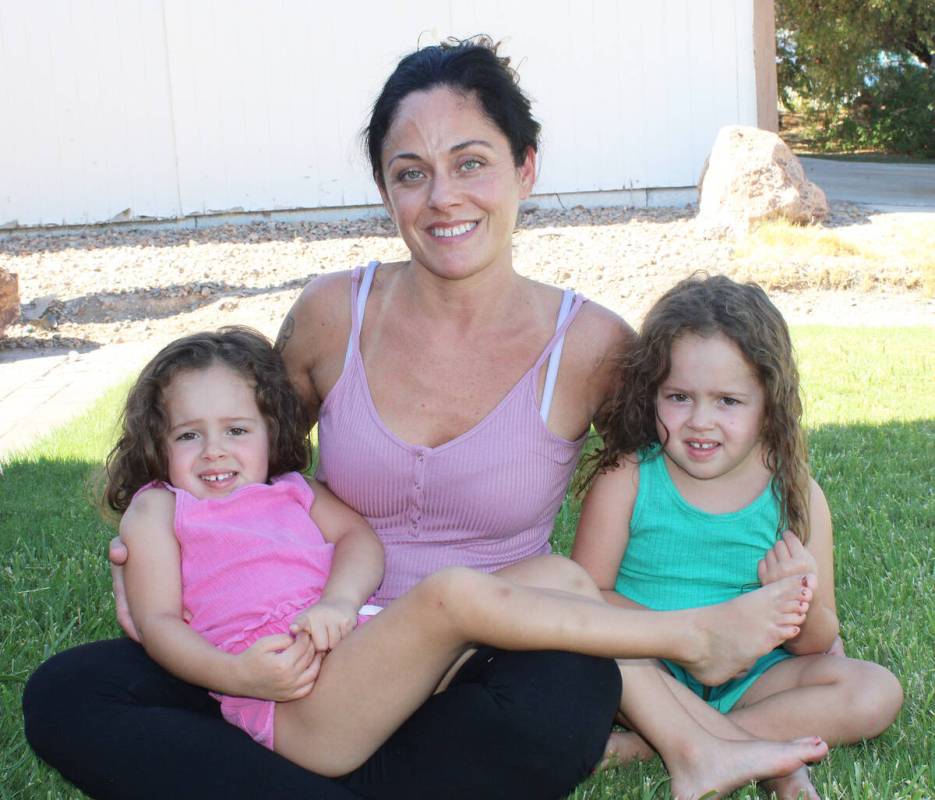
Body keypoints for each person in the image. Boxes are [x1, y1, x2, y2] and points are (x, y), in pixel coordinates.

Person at [23, 38, 821, 800]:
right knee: (70, 692)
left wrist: (788, 542)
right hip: (300, 648)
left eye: (470, 162)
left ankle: (267, 782)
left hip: (481, 661)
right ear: (384, 189)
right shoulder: (332, 314)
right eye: (411, 173)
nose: (443, 198)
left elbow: (687, 466)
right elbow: (228, 445)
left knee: (567, 672)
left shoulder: (593, 346)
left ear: (524, 167)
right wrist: (142, 558)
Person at [96, 326, 824, 784]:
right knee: (449, 592)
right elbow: (157, 624)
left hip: (360, 656)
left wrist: (339, 603)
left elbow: (358, 540)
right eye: (189, 434)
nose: (215, 451)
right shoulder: (161, 507)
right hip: (295, 708)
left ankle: (701, 749)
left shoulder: (291, 491)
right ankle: (693, 636)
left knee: (562, 577)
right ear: (157, 443)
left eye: (235, 429)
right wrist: (237, 674)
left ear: (270, 427)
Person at [572, 274, 904, 800]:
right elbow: (582, 600)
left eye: (728, 401)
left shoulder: (796, 494)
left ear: (768, 403)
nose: (701, 421)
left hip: (758, 681)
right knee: (588, 649)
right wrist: (691, 633)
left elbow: (817, 642)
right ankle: (731, 744)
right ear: (650, 393)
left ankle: (666, 744)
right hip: (650, 672)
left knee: (874, 691)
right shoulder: (630, 477)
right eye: (679, 396)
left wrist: (803, 596)